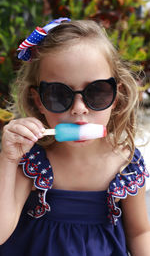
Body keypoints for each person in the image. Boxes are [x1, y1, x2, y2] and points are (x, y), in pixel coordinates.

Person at [0, 17, 150, 256]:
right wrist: (7, 160)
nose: (79, 108)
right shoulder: (31, 160)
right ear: (39, 101)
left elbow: (140, 233)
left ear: (116, 96)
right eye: (59, 94)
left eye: (97, 91)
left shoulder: (126, 163)